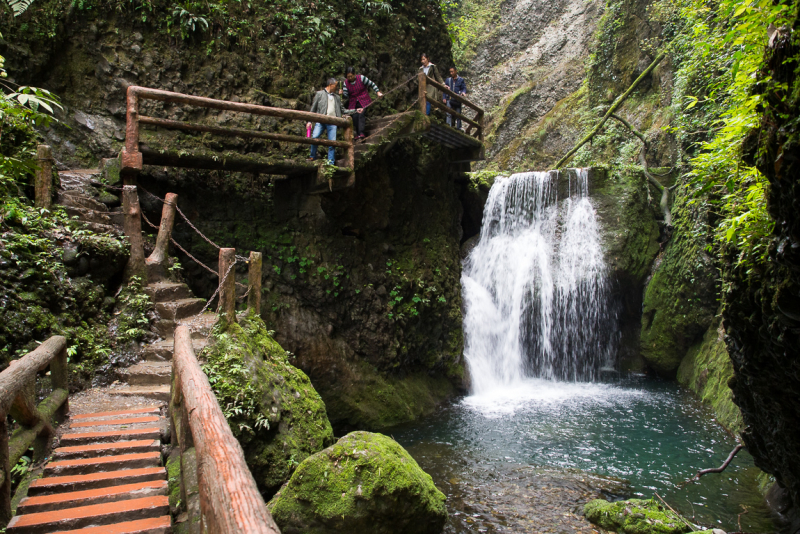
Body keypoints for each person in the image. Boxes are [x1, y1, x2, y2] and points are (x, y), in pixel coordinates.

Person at [307, 78, 355, 164]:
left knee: (332, 142)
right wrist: (309, 121)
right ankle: (312, 156)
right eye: (335, 85)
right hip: (320, 120)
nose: (336, 87)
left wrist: (355, 110)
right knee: (314, 137)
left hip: (333, 122)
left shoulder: (337, 97)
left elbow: (343, 110)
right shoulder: (319, 94)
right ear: (330, 84)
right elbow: (313, 108)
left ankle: (331, 162)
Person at [341, 66, 383, 140]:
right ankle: (358, 133)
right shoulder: (345, 83)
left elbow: (372, 84)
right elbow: (346, 95)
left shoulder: (361, 78)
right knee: (355, 117)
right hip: (353, 102)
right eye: (348, 77)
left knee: (361, 114)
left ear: (354, 74)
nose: (350, 78)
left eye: (351, 76)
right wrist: (342, 93)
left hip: (363, 100)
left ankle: (361, 133)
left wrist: (378, 92)